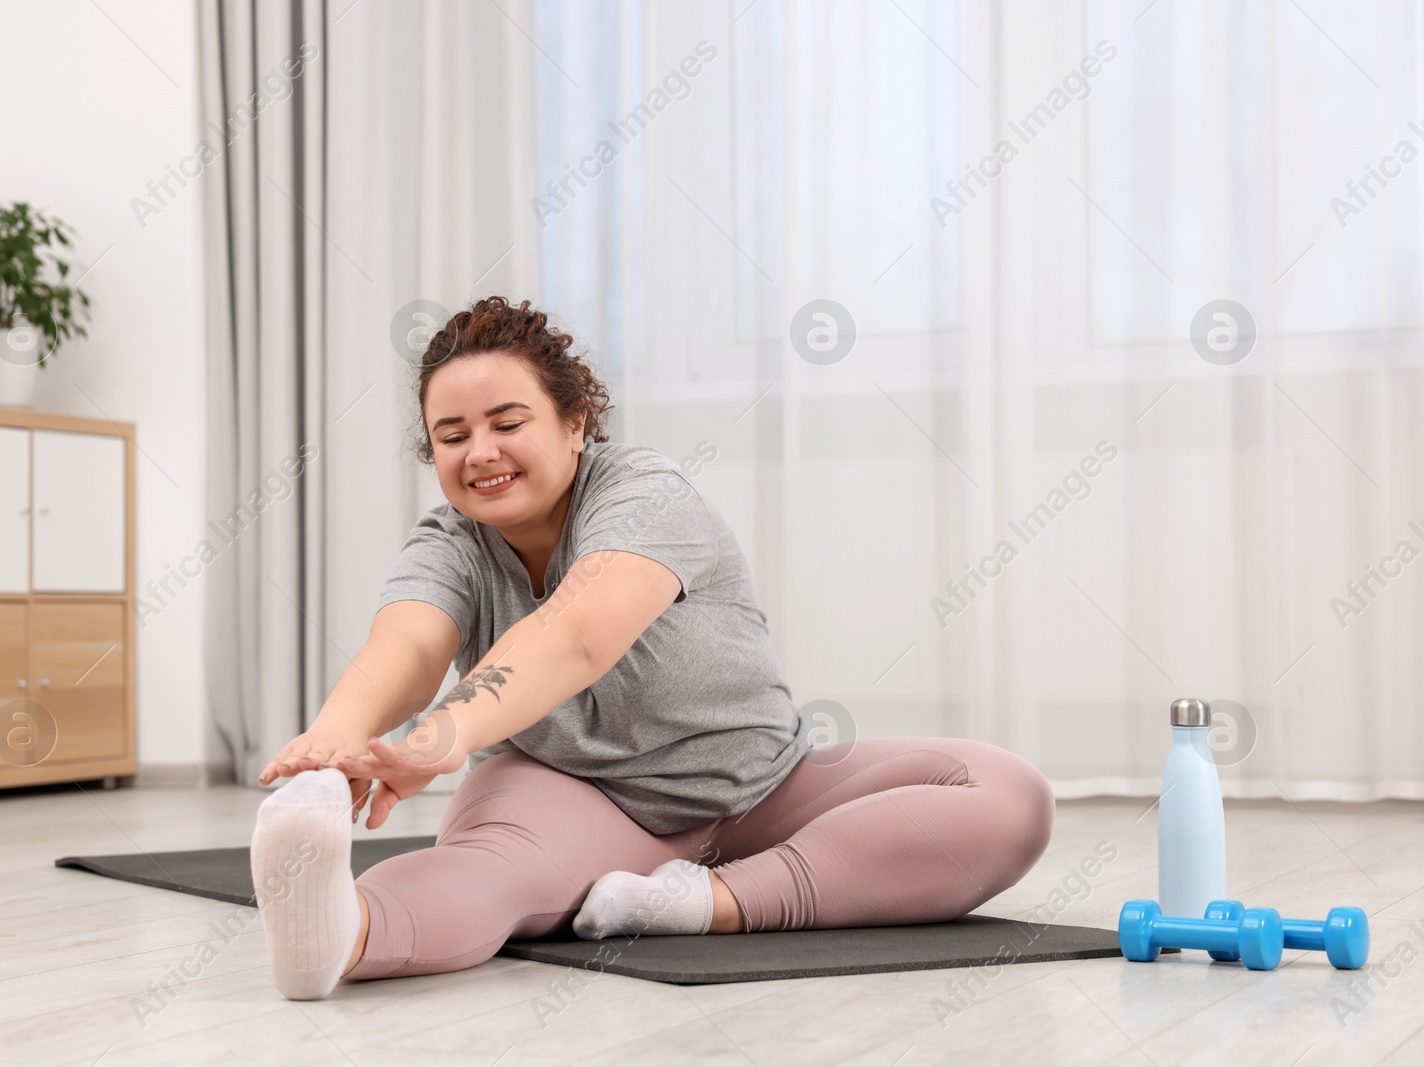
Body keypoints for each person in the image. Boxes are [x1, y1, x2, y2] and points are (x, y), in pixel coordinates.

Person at [248, 295, 1055, 1000]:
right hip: (574, 794)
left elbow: (577, 633)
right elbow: (409, 646)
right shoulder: (451, 541)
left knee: (1008, 792)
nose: (480, 452)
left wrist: (436, 739)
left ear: (574, 422)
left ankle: (707, 903)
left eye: (507, 422)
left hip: (763, 789)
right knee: (491, 867)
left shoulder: (644, 491)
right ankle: (337, 933)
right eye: (451, 434)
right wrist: (333, 742)